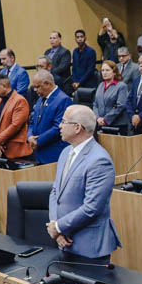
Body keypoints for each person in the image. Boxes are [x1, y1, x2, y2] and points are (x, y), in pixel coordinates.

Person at [46, 106, 122, 263]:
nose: (59, 126)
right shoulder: (65, 152)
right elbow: (55, 192)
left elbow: (91, 208)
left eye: (63, 121)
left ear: (77, 128)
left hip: (88, 247)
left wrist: (59, 227)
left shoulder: (99, 160)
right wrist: (57, 229)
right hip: (63, 240)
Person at [26, 71, 72, 163]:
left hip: (54, 154)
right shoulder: (40, 99)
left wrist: (38, 141)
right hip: (39, 153)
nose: (35, 90)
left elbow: (58, 128)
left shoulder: (63, 100)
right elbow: (32, 122)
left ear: (47, 84)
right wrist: (30, 137)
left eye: (37, 87)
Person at [0, 73, 32, 159]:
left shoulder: (20, 100)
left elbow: (16, 125)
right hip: (2, 149)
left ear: (4, 86)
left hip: (17, 151)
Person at [90, 61, 130, 134]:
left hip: (117, 125)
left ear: (114, 72)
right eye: (103, 70)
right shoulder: (101, 85)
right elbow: (95, 104)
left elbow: (120, 106)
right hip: (100, 124)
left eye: (107, 70)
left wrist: (106, 120)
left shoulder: (121, 86)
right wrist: (97, 118)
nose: (104, 73)